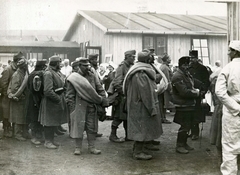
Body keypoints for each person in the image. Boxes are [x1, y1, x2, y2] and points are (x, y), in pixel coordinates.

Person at [123, 51, 163, 160]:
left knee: (143, 127)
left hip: (138, 103)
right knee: (140, 127)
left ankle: (143, 147)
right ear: (146, 60)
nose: (153, 59)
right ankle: (138, 152)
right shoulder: (140, 73)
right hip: (141, 105)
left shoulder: (139, 69)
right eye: (151, 58)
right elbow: (146, 93)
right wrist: (152, 106)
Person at [66, 57, 108, 155]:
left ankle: (92, 147)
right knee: (78, 126)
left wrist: (103, 100)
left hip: (91, 105)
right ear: (79, 66)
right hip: (79, 105)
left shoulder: (92, 76)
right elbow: (69, 95)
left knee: (91, 127)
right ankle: (78, 148)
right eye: (84, 66)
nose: (87, 68)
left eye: (87, 66)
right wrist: (72, 107)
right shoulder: (73, 77)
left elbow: (99, 88)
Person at [215, 40, 240, 175]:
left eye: (230, 50)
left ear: (235, 52)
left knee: (230, 147)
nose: (228, 53)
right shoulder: (227, 67)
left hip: (233, 112)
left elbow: (220, 92)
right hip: (235, 109)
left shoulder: (228, 68)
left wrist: (235, 108)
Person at [171, 56, 202, 154]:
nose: (189, 66)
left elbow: (191, 85)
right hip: (183, 105)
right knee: (184, 125)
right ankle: (179, 145)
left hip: (188, 104)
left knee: (188, 125)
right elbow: (183, 92)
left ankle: (184, 143)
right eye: (188, 64)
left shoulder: (185, 74)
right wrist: (196, 93)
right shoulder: (178, 76)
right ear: (183, 65)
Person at [38, 55, 68, 149]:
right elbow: (47, 91)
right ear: (56, 63)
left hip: (54, 102)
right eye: (59, 62)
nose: (61, 64)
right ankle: (48, 142)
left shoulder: (55, 72)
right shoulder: (48, 73)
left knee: (53, 122)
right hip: (50, 102)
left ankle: (51, 140)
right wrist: (58, 99)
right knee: (49, 122)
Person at [108, 50, 136, 143]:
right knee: (118, 116)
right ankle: (113, 135)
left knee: (127, 116)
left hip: (128, 95)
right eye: (132, 57)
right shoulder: (122, 67)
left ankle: (128, 135)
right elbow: (117, 82)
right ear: (127, 57)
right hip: (122, 96)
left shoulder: (130, 66)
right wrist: (124, 92)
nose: (134, 58)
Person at [188, 50, 210, 140]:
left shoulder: (202, 68)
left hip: (198, 95)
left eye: (193, 58)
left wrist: (203, 91)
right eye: (191, 58)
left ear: (197, 58)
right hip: (190, 94)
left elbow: (206, 81)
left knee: (196, 114)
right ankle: (191, 131)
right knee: (189, 113)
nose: (192, 60)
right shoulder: (188, 68)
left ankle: (195, 133)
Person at [1, 52, 23, 138]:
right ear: (17, 60)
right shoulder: (8, 69)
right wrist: (8, 95)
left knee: (13, 113)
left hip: (14, 96)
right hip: (7, 97)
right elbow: (3, 84)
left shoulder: (18, 68)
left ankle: (13, 130)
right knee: (6, 113)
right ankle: (6, 129)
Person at [8, 58, 30, 141]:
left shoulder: (22, 73)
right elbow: (14, 89)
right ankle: (17, 134)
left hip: (22, 99)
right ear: (23, 66)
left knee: (22, 116)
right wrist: (20, 96)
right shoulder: (17, 74)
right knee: (18, 117)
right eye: (25, 65)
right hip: (18, 99)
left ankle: (23, 132)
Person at [27, 59, 47, 145]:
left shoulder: (33, 73)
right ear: (42, 66)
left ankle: (38, 136)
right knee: (35, 118)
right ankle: (34, 137)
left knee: (36, 118)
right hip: (35, 99)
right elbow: (36, 89)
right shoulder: (37, 75)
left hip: (34, 98)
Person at [88, 53, 104, 137]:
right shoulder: (91, 69)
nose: (96, 61)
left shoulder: (94, 68)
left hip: (95, 91)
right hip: (94, 92)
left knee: (95, 113)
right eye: (95, 59)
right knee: (93, 113)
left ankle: (94, 131)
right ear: (91, 60)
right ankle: (93, 132)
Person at [209, 64, 222, 150]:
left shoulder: (214, 84)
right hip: (220, 106)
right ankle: (218, 141)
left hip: (218, 106)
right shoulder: (217, 84)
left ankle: (216, 140)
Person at [160, 53, 174, 123]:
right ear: (166, 60)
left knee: (163, 103)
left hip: (164, 87)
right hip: (165, 88)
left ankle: (163, 117)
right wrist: (170, 89)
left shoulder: (164, 66)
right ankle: (163, 118)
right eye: (169, 58)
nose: (170, 59)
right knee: (164, 103)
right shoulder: (165, 67)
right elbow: (167, 79)